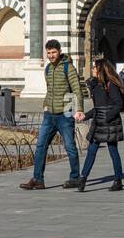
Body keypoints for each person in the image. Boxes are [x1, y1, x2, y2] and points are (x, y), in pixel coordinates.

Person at [20, 39, 86, 190]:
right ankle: (38, 179)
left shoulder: (68, 68)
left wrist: (79, 109)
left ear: (59, 51)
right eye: (48, 53)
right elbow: (49, 90)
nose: (51, 55)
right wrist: (45, 105)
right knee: (40, 146)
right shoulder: (48, 69)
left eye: (53, 52)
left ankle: (75, 177)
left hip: (65, 114)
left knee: (70, 146)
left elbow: (77, 89)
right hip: (49, 115)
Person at [79, 57, 124, 191]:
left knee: (113, 151)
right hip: (98, 122)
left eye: (95, 67)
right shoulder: (96, 86)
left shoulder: (110, 85)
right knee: (92, 151)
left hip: (109, 122)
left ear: (100, 69)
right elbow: (97, 107)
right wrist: (85, 116)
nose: (93, 69)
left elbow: (118, 104)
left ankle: (118, 180)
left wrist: (107, 117)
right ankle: (83, 179)